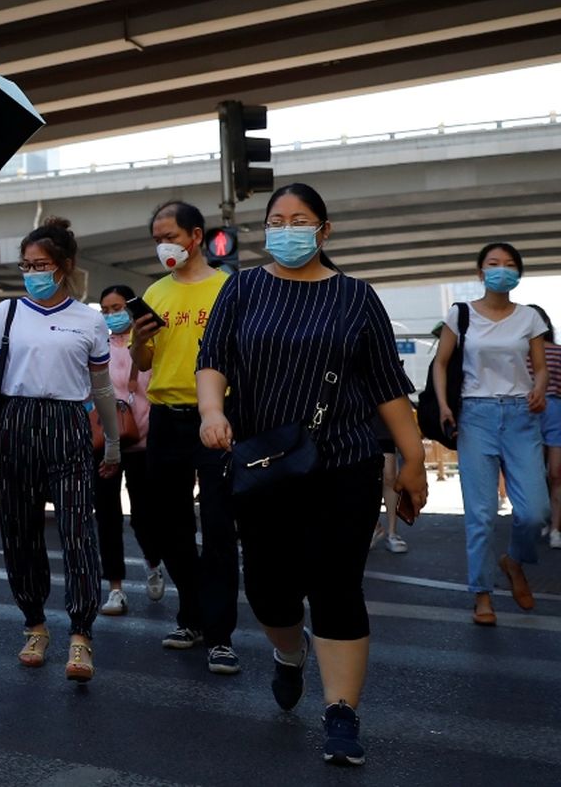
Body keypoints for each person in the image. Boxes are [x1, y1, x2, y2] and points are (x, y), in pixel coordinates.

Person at [196, 182, 427, 767]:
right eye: (277, 219)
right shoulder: (242, 288)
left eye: (300, 220)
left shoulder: (355, 298)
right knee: (271, 592)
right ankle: (289, 652)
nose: (287, 229)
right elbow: (212, 359)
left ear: (324, 231)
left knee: (337, 587)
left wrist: (415, 460)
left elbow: (386, 387)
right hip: (263, 463)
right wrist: (213, 410)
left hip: (343, 464)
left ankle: (341, 713)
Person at [0, 219, 121, 681]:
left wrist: (112, 442)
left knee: (78, 532)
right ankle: (34, 625)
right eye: (26, 264)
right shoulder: (8, 311)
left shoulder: (89, 319)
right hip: (15, 423)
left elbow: (102, 388)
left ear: (65, 267)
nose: (32, 272)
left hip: (70, 425)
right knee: (20, 532)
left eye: (42, 265)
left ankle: (80, 634)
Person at [129, 200, 240, 674]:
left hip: (216, 418)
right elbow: (143, 363)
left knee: (217, 528)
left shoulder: (229, 288)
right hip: (166, 419)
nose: (164, 245)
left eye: (171, 235)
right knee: (164, 525)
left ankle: (219, 635)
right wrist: (138, 337)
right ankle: (192, 614)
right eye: (157, 237)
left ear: (196, 237)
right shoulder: (155, 291)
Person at [430, 243, 550, 625]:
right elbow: (442, 363)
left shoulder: (530, 317)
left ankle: (513, 560)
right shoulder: (460, 314)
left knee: (535, 511)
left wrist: (540, 388)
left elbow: (541, 366)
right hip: (476, 415)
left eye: (510, 265)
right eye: (494, 264)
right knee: (480, 514)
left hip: (520, 416)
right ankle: (482, 595)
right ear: (481, 273)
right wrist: (445, 405)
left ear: (519, 273)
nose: (502, 270)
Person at [92, 284, 164, 615]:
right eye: (105, 310)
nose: (111, 314)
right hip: (106, 442)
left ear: (132, 307)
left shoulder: (149, 345)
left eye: (117, 307)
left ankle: (152, 563)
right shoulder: (97, 347)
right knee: (106, 515)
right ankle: (115, 588)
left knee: (144, 515)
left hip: (144, 443)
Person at [531, 306, 561, 550]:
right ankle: (547, 522)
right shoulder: (519, 355)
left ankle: (555, 527)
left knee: (552, 474)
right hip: (530, 413)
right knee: (543, 475)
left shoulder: (557, 353)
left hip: (551, 413)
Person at [369, 415, 408, 554]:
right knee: (364, 475)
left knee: (389, 475)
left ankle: (392, 532)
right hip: (356, 414)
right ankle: (374, 527)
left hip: (382, 417)